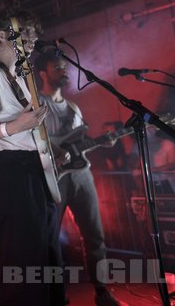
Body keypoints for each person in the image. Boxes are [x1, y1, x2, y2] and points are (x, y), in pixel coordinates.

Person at [0, 9, 65, 306]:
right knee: (24, 266)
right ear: (2, 36)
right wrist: (14, 127)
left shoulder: (22, 77)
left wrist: (46, 148)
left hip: (35, 171)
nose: (33, 39)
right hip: (12, 175)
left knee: (48, 261)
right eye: (26, 33)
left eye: (35, 33)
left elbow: (27, 129)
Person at [35, 50, 126, 306]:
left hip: (82, 176)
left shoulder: (74, 107)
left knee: (94, 235)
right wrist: (55, 149)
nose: (64, 70)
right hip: (55, 178)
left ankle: (102, 292)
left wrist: (103, 142)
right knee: (50, 240)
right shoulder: (37, 106)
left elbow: (80, 143)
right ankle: (56, 295)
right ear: (43, 73)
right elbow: (33, 140)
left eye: (65, 66)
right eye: (57, 67)